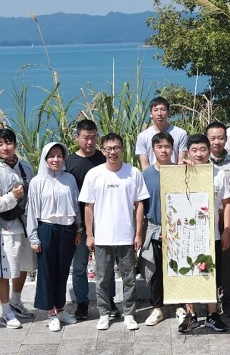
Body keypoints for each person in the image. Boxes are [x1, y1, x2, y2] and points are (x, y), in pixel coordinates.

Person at [79, 133, 150, 331]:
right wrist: (90, 235)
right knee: (102, 278)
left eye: (116, 148)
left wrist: (138, 233)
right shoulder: (94, 174)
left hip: (126, 236)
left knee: (129, 278)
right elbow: (88, 207)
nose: (112, 152)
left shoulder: (133, 173)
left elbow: (139, 204)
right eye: (109, 148)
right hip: (103, 237)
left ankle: (129, 313)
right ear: (103, 151)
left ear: (122, 149)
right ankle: (104, 313)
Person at [64, 119, 119, 321]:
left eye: (93, 137)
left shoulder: (104, 158)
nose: (89, 142)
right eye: (85, 138)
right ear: (77, 138)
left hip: (104, 220)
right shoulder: (69, 162)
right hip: (79, 223)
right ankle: (82, 302)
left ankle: (109, 300)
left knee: (107, 265)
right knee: (79, 266)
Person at [178, 134, 230, 334]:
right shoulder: (180, 173)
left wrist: (226, 231)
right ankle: (190, 315)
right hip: (186, 235)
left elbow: (227, 204)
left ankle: (212, 314)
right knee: (188, 273)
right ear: (188, 153)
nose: (199, 154)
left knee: (211, 275)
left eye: (203, 149)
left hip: (212, 235)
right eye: (194, 150)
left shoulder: (218, 174)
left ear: (209, 151)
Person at [26, 142, 81, 332]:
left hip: (67, 230)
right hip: (46, 229)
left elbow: (76, 206)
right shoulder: (37, 181)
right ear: (45, 158)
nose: (55, 159)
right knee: (46, 272)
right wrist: (34, 237)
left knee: (63, 271)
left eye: (59, 155)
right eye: (51, 156)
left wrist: (78, 230)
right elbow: (32, 211)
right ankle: (50, 314)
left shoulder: (69, 179)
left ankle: (60, 309)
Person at [0, 128, 36, 329]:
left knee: (23, 266)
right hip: (5, 229)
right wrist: (13, 196)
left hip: (25, 226)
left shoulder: (26, 167)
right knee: (4, 271)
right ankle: (6, 312)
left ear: (15, 144)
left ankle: (15, 301)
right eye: (0, 144)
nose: (4, 148)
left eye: (8, 143)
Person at [205, 121, 230, 317]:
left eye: (220, 138)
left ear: (226, 139)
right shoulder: (199, 161)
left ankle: (226, 300)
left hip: (227, 219)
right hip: (205, 221)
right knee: (206, 262)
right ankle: (209, 300)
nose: (216, 142)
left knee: (227, 263)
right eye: (212, 138)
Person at [141, 132, 174, 326]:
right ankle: (157, 308)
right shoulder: (146, 175)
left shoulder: (180, 171)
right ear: (153, 150)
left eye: (167, 146)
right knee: (155, 271)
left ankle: (180, 306)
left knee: (177, 269)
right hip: (154, 229)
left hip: (177, 230)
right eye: (159, 147)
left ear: (172, 149)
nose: (163, 150)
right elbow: (140, 206)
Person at [135, 96, 188, 170]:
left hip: (174, 173)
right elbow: (145, 166)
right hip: (153, 174)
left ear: (168, 113)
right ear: (151, 114)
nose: (159, 113)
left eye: (163, 110)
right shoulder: (142, 136)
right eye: (155, 110)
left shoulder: (181, 133)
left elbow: (181, 163)